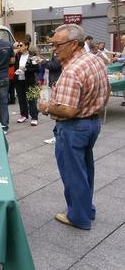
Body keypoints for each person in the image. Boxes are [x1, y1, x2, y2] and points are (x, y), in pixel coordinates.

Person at [38, 24, 110, 230]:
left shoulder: (72, 70)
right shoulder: (95, 59)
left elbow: (68, 111)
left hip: (74, 126)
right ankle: (87, 209)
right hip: (92, 122)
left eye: (58, 44)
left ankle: (79, 217)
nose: (54, 49)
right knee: (85, 169)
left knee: (73, 173)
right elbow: (104, 91)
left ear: (74, 44)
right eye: (53, 44)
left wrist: (46, 107)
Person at [14, 39, 39, 126]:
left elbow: (36, 68)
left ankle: (34, 117)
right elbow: (14, 65)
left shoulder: (32, 56)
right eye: (18, 45)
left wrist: (26, 70)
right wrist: (16, 71)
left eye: (21, 45)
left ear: (26, 46)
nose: (19, 47)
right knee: (21, 98)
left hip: (29, 80)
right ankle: (23, 115)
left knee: (31, 99)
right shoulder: (17, 55)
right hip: (19, 80)